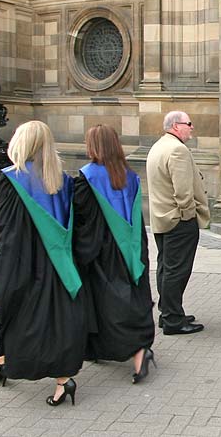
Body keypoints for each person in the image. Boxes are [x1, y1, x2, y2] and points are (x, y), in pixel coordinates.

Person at [0, 121, 85, 407]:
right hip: (57, 261)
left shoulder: (13, 178)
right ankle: (61, 380)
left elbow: (4, 223)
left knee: (11, 312)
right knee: (54, 319)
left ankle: (5, 362)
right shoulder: (63, 180)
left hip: (21, 261)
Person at [73, 125, 157, 384]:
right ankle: (135, 348)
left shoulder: (87, 178)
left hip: (102, 251)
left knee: (106, 301)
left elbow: (82, 219)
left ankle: (134, 348)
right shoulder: (130, 176)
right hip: (130, 247)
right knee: (131, 294)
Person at [146, 111, 210, 335]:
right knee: (177, 271)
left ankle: (168, 313)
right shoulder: (177, 150)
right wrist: (188, 214)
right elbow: (183, 191)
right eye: (188, 124)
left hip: (162, 219)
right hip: (178, 220)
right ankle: (173, 319)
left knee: (166, 267)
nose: (192, 127)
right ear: (175, 126)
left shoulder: (159, 146)